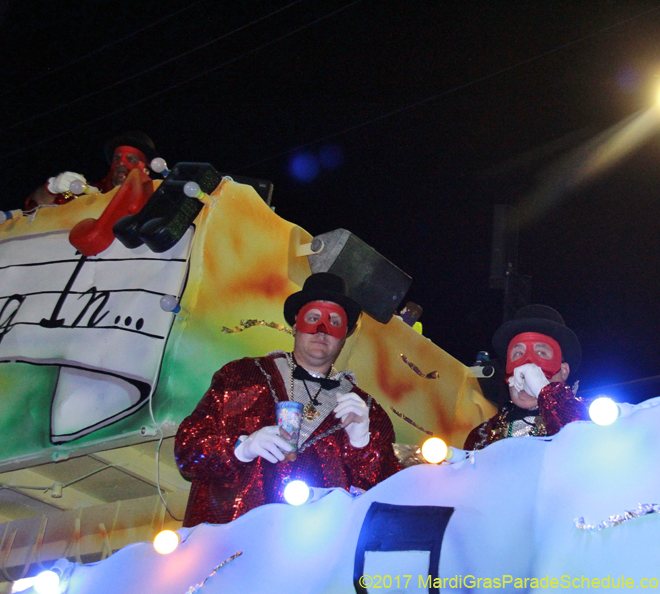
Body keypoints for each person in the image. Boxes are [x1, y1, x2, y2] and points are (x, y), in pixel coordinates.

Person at [175, 273, 399, 527]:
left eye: (334, 322)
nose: (322, 330)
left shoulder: (369, 414)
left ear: (344, 335)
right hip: (225, 542)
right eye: (313, 318)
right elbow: (187, 450)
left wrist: (362, 445)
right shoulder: (242, 375)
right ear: (295, 325)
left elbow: (387, 502)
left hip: (313, 552)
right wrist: (240, 449)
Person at [464, 305, 589, 451]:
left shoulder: (592, 416)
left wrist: (544, 391)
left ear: (563, 371)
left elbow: (585, 445)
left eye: (541, 352)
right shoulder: (482, 435)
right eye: (518, 354)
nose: (527, 367)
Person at [24, 131, 158, 210]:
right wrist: (51, 187)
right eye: (116, 158)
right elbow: (33, 209)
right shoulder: (88, 194)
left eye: (132, 159)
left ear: (146, 170)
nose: (121, 163)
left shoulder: (158, 194)